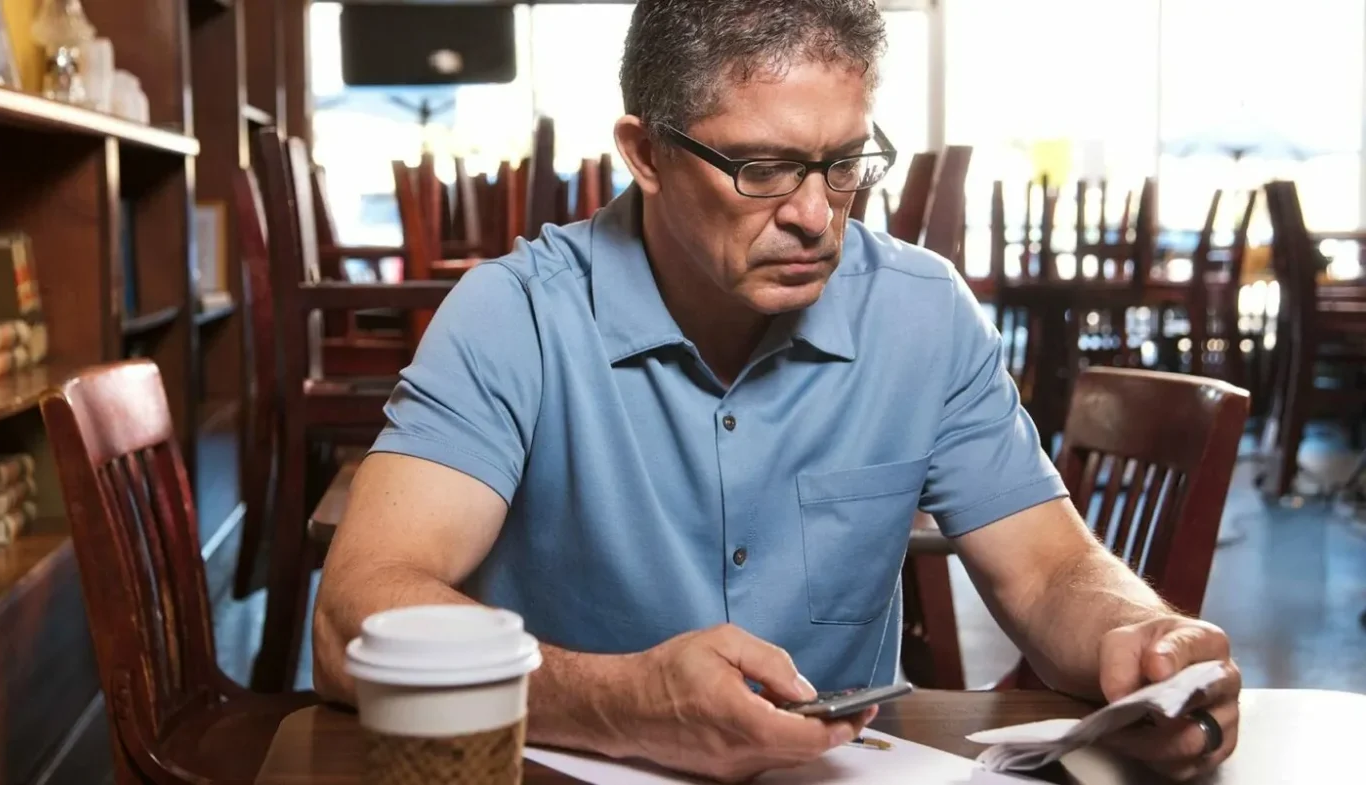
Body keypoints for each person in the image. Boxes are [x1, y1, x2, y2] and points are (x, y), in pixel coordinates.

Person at [313, 0, 1241, 781]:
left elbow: (1047, 568)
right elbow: (354, 615)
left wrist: (1140, 633)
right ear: (644, 153)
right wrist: (623, 703)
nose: (813, 216)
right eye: (761, 168)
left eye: (844, 164)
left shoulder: (922, 313)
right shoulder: (514, 314)